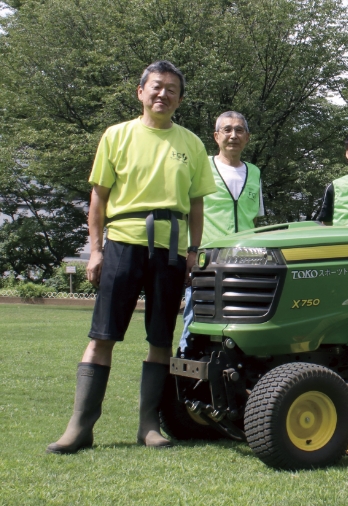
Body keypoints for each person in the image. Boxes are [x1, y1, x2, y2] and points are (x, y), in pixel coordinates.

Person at [46, 61, 217, 454]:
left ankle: (148, 426)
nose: (163, 94)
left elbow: (195, 205)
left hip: (171, 248)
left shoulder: (191, 143)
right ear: (140, 92)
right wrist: (96, 250)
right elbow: (99, 199)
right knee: (102, 336)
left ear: (180, 98)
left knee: (160, 338)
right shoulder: (116, 135)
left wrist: (193, 251)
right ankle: (80, 428)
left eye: (172, 89)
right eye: (156, 87)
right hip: (123, 240)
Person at [179, 111, 264, 354]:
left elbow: (255, 219)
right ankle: (185, 373)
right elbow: (188, 212)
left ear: (247, 137)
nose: (233, 135)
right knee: (195, 322)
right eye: (227, 130)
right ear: (216, 136)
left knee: (242, 323)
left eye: (239, 130)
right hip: (207, 260)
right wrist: (190, 253)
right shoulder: (200, 166)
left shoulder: (255, 172)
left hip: (246, 262)